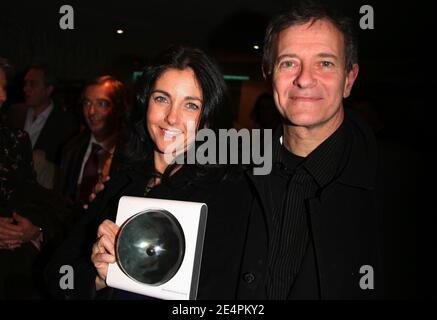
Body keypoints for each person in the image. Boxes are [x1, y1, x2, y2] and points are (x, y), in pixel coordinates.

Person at [236, 2, 416, 299]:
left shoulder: (408, 189)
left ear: (349, 79)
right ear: (269, 76)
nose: (305, 79)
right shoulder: (232, 175)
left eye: (325, 63)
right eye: (289, 62)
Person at [45, 45, 255, 300]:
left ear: (208, 119)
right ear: (145, 104)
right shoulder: (120, 185)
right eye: (162, 99)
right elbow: (57, 276)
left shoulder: (227, 195)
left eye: (190, 105)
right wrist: (98, 277)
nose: (171, 118)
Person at [0, 57, 74, 299]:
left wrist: (33, 229)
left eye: (3, 88)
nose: (3, 96)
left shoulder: (14, 140)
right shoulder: (16, 117)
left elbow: (34, 197)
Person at [55, 76, 128, 206]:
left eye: (102, 103)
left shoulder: (131, 153)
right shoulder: (71, 148)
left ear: (118, 108)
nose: (91, 111)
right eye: (87, 103)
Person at [4, 64, 79, 189]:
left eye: (32, 84)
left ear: (48, 89)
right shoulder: (15, 112)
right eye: (25, 83)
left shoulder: (65, 122)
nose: (26, 88)